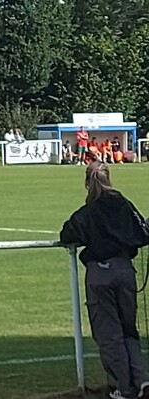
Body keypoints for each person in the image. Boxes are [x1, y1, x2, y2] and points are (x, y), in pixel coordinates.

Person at [59, 162, 149, 399]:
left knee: (109, 334)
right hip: (125, 271)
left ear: (87, 183)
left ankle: (125, 388)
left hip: (100, 274)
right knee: (129, 329)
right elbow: (143, 233)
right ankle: (141, 380)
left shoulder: (88, 212)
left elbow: (67, 233)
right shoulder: (124, 205)